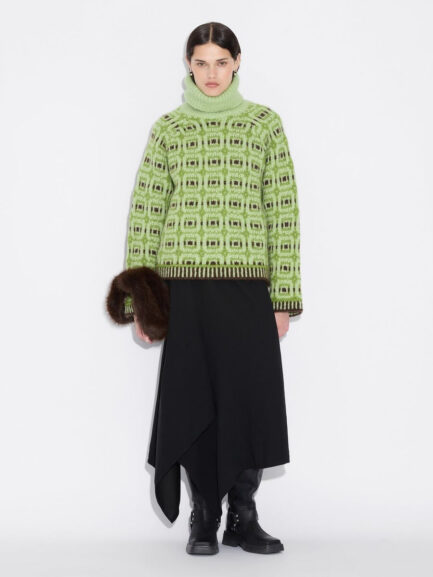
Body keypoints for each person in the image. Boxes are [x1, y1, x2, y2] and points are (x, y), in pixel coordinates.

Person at [121, 22, 303, 555]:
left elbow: (283, 213)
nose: (211, 73)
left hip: (247, 291)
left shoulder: (265, 126)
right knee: (193, 400)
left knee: (248, 400)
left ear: (237, 62)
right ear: (189, 65)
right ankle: (204, 517)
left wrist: (283, 298)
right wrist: (142, 302)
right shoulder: (168, 130)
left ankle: (243, 515)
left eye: (221, 62)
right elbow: (146, 216)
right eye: (200, 63)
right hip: (185, 291)